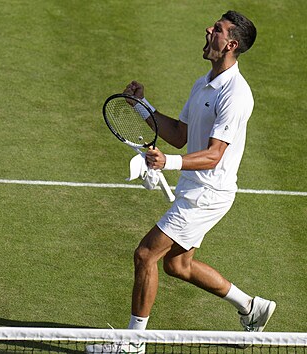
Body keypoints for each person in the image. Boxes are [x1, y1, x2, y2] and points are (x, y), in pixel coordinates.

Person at [87, 10, 275, 354]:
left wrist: (167, 163)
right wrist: (141, 107)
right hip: (196, 187)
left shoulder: (236, 94)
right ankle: (251, 306)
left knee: (145, 255)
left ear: (230, 43)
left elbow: (214, 154)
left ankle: (133, 345)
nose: (208, 30)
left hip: (207, 193)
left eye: (216, 30)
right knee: (178, 264)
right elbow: (179, 134)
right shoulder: (204, 83)